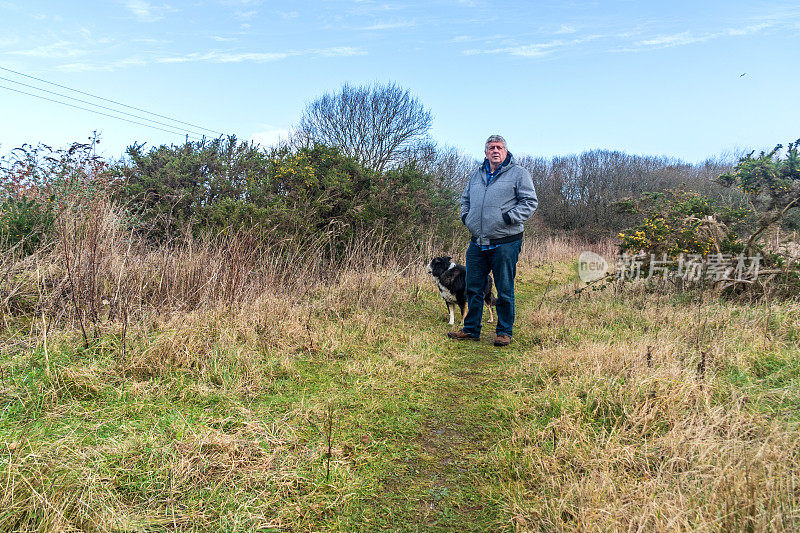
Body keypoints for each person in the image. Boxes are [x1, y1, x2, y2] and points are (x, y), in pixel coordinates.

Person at [447, 135, 538, 346]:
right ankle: (471, 330)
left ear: (505, 151)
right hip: (478, 242)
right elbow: (465, 200)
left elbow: (530, 202)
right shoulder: (476, 175)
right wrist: (466, 217)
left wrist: (508, 218)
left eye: (499, 147)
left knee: (504, 288)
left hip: (506, 242)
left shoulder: (519, 173)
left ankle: (504, 332)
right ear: (485, 152)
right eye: (491, 148)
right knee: (473, 288)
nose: (495, 151)